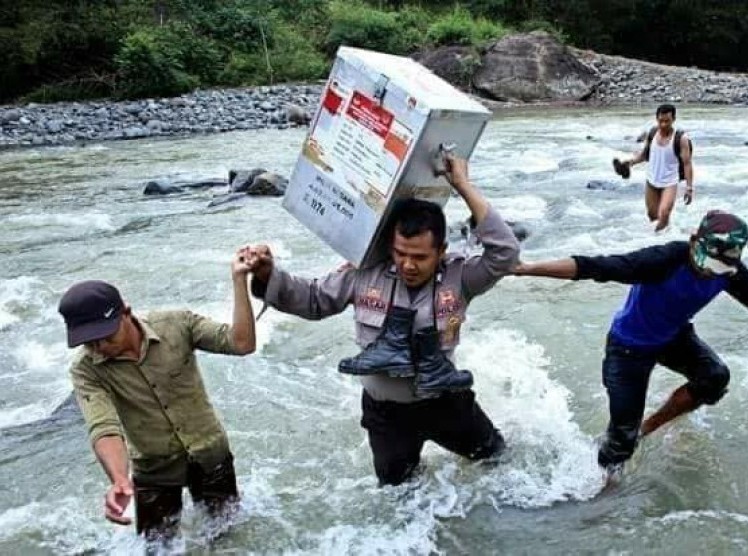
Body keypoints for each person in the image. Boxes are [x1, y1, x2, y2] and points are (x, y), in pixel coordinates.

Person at [242, 154, 520, 486]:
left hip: (446, 401)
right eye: (400, 254)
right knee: (398, 495)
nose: (408, 265)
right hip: (387, 414)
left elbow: (505, 253)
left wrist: (462, 184)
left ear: (442, 251)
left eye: (419, 257)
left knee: (500, 461)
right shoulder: (364, 272)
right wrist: (267, 274)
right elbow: (314, 300)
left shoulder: (460, 276)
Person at [512, 210, 748, 473]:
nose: (711, 273)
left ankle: (649, 429)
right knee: (620, 439)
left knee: (714, 378)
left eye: (719, 268)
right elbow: (594, 266)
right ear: (694, 242)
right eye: (708, 264)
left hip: (673, 337)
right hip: (628, 347)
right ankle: (605, 488)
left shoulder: (729, 271)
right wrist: (526, 269)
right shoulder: (664, 260)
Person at [58, 249, 257, 543]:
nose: (99, 347)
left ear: (126, 312)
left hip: (210, 454)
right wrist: (119, 479)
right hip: (154, 471)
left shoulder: (178, 324)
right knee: (157, 547)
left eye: (105, 336)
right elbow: (103, 427)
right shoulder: (86, 370)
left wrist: (239, 280)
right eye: (88, 342)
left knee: (227, 536)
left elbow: (241, 343)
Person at [613, 104, 694, 231]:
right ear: (657, 119)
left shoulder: (681, 139)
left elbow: (687, 163)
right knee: (652, 215)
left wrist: (689, 187)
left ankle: (661, 239)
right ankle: (662, 236)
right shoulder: (652, 133)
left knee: (664, 213)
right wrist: (630, 163)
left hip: (670, 182)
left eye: (667, 121)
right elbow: (645, 155)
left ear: (674, 119)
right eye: (660, 121)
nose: (663, 124)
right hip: (652, 180)